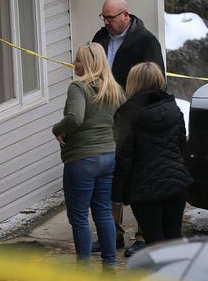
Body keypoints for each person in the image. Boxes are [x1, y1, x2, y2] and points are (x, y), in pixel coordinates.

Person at [91, 0, 165, 256]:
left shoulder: (145, 41)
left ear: (126, 15)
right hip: (106, 117)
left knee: (138, 176)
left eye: (110, 18)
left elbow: (156, 82)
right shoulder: (99, 38)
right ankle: (113, 235)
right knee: (110, 177)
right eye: (103, 17)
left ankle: (144, 236)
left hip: (135, 118)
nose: (106, 22)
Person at [52, 42, 125, 272]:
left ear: (89, 63)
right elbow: (125, 117)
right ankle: (109, 267)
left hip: (83, 159)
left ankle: (83, 269)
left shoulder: (78, 87)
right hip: (108, 156)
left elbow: (75, 118)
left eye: (78, 60)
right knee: (103, 211)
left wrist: (57, 129)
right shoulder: (114, 88)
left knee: (80, 217)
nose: (74, 64)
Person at [112, 62, 192, 247]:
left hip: (145, 189)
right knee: (174, 240)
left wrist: (118, 194)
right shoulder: (173, 108)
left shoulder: (127, 116)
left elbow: (124, 158)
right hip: (176, 185)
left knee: (155, 245)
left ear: (133, 83)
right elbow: (182, 146)